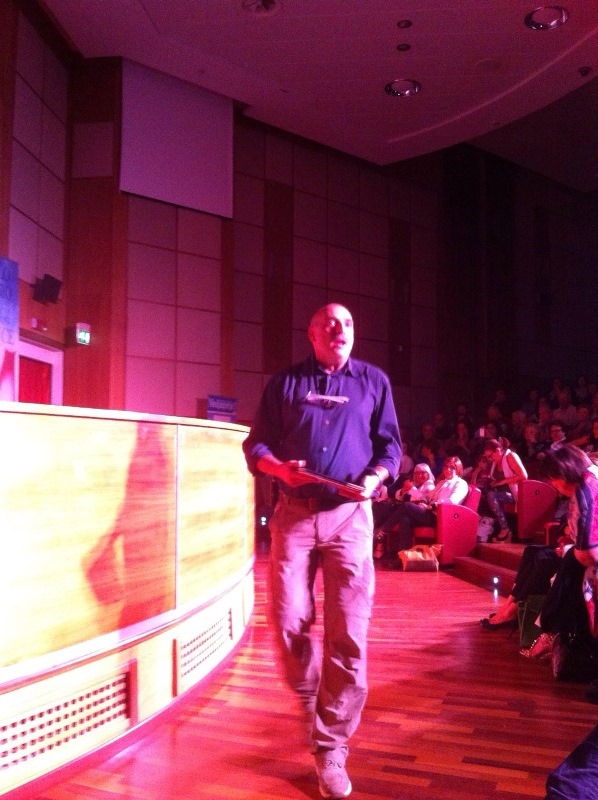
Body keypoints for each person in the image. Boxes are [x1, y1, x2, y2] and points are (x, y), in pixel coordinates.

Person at [242, 302, 402, 800]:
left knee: (348, 633)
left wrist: (375, 478)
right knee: (288, 621)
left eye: (348, 323)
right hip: (293, 514)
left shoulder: (374, 382)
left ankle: (331, 745)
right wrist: (278, 470)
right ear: (311, 334)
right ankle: (313, 695)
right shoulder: (285, 383)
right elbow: (256, 446)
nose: (340, 329)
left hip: (351, 517)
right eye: (330, 323)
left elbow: (391, 449)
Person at [519, 446, 598, 662]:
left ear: (562, 475)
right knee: (550, 557)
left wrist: (570, 551)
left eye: (552, 479)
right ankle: (547, 631)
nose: (553, 485)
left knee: (569, 565)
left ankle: (550, 633)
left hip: (592, 557)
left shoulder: (586, 491)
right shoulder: (589, 478)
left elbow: (588, 553)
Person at [382, 456, 468, 563]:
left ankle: (383, 530)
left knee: (407, 506)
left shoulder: (461, 483)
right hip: (430, 513)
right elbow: (428, 497)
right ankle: (403, 558)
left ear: (458, 469)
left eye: (452, 468)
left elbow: (452, 501)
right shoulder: (442, 482)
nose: (448, 470)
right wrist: (423, 502)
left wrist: (432, 506)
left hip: (441, 517)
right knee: (405, 520)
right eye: (446, 467)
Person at [480, 534, 574, 630]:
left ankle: (511, 610)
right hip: (571, 545)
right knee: (530, 551)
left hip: (575, 551)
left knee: (543, 559)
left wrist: (566, 548)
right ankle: (508, 604)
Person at [483, 437, 528, 542]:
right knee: (484, 494)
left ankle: (505, 528)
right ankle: (488, 529)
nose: (489, 459)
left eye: (490, 456)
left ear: (498, 450)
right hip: (503, 493)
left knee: (491, 496)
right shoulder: (496, 462)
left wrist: (502, 482)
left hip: (515, 494)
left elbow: (523, 476)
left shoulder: (510, 456)